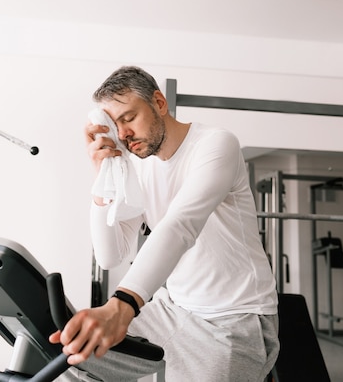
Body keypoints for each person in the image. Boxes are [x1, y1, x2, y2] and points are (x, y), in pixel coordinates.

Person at [50, 66, 279, 381]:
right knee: (74, 364)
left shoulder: (215, 144)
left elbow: (181, 225)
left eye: (129, 118)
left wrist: (122, 305)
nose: (124, 133)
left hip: (233, 318)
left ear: (159, 103)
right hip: (173, 308)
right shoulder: (141, 169)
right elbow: (110, 254)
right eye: (115, 125)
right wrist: (101, 175)